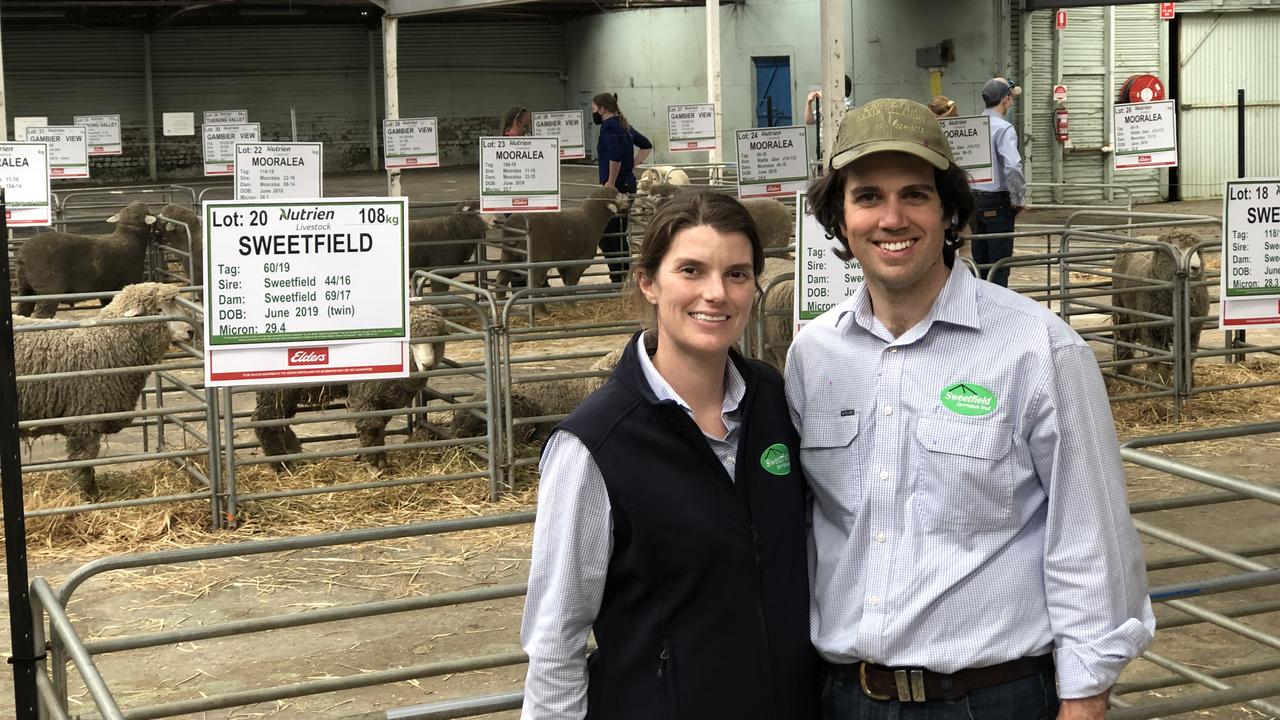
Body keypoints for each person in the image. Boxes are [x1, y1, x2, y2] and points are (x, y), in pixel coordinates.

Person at [788, 98, 1155, 720]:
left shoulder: (1039, 347)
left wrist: (1086, 697)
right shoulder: (814, 355)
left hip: (993, 697)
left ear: (950, 209)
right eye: (868, 196)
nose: (892, 218)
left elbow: (1089, 535)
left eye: (916, 195)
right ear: (839, 217)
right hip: (848, 696)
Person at [520, 192, 819, 720]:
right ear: (649, 282)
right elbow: (555, 641)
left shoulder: (776, 403)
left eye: (737, 274)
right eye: (691, 269)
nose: (716, 293)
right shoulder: (594, 445)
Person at [971, 76, 1025, 287]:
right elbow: (1012, 166)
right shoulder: (1003, 128)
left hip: (974, 201)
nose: (1011, 102)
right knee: (998, 266)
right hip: (997, 201)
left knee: (980, 264)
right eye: (1010, 98)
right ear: (1005, 100)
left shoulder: (974, 126)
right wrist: (1018, 198)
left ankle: (979, 311)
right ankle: (997, 314)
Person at [592, 92, 652, 284]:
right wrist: (632, 165)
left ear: (602, 108)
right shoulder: (624, 125)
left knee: (609, 234)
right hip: (628, 183)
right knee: (619, 231)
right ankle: (623, 274)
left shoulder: (608, 128)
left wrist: (610, 183)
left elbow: (615, 157)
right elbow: (646, 145)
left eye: (594, 109)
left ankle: (619, 276)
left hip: (616, 188)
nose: (594, 113)